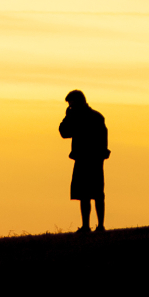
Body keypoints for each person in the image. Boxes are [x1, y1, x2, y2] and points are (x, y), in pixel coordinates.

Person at [59, 90, 109, 233]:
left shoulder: (82, 117)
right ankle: (94, 226)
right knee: (90, 194)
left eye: (71, 103)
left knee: (90, 194)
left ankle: (94, 226)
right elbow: (65, 133)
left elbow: (64, 132)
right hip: (92, 159)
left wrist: (68, 117)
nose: (70, 105)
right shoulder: (96, 116)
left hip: (88, 159)